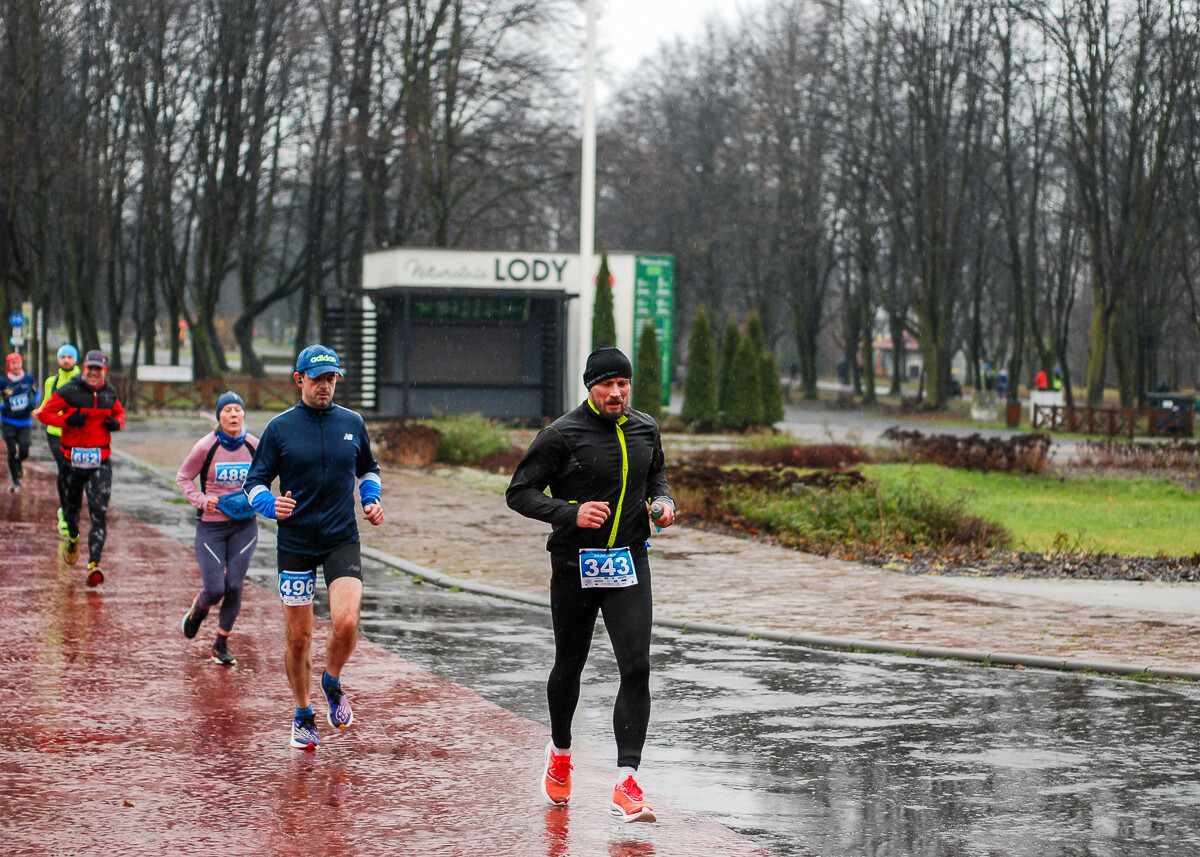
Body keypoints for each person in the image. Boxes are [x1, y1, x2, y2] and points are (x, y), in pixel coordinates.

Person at [506, 346, 676, 824]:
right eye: (607, 385)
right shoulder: (561, 434)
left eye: (623, 384)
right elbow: (519, 492)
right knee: (570, 664)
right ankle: (560, 751)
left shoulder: (645, 428)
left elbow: (656, 473)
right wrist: (570, 513)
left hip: (629, 563)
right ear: (590, 387)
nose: (617, 392)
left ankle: (627, 782)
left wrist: (662, 502)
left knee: (637, 666)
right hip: (575, 563)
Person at [243, 345, 383, 750]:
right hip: (296, 543)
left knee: (346, 623)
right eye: (317, 378)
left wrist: (370, 498)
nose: (325, 386)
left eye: (331, 379)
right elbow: (253, 482)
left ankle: (332, 680)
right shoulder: (280, 428)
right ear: (299, 380)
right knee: (299, 638)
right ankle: (303, 713)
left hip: (341, 537)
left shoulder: (352, 422)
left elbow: (367, 467)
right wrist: (271, 505)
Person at [176, 391, 260, 666]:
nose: (233, 414)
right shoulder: (206, 446)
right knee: (216, 589)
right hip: (211, 527)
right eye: (227, 410)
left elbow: (272, 472)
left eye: (238, 409)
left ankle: (220, 644)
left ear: (244, 414)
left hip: (245, 527)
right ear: (219, 416)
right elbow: (184, 477)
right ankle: (200, 607)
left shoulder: (254, 446)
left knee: (235, 585)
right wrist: (202, 500)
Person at [36, 349, 124, 586]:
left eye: (99, 369)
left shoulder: (109, 392)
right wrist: (67, 421)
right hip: (72, 461)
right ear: (84, 369)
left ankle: (94, 564)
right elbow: (44, 414)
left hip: (100, 461)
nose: (94, 373)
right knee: (71, 511)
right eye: (91, 368)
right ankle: (73, 537)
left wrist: (116, 424)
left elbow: (120, 413)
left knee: (99, 511)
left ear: (104, 371)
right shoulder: (70, 390)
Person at [33, 345, 81, 534]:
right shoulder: (52, 382)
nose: (66, 360)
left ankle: (71, 510)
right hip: (55, 432)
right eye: (63, 357)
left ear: (75, 359)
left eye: (70, 357)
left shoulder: (83, 381)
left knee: (76, 474)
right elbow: (47, 402)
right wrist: (40, 411)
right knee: (64, 468)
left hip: (77, 433)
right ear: (59, 360)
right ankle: (66, 513)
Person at [1, 352, 39, 492]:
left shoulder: (28, 379)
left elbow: (37, 392)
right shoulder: (4, 382)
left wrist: (34, 403)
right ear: (8, 366)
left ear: (21, 363)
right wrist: (3, 406)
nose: (16, 366)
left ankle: (18, 463)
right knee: (11, 450)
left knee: (24, 450)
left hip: (24, 422)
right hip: (8, 421)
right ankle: (16, 481)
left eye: (18, 362)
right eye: (12, 363)